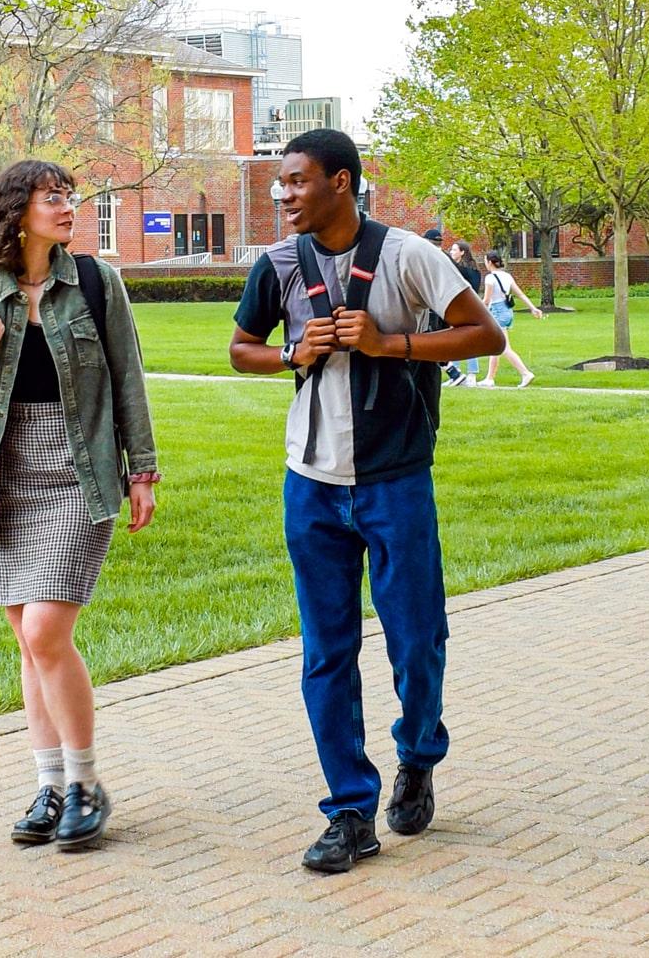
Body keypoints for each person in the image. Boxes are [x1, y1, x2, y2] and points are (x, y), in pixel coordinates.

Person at [229, 129, 504, 874]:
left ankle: (418, 755)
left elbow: (482, 335)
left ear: (342, 183)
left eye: (297, 181)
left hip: (395, 480)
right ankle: (349, 810)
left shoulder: (410, 255)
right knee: (327, 652)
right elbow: (240, 348)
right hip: (311, 484)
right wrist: (292, 352)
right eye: (280, 182)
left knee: (417, 639)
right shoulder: (277, 264)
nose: (283, 193)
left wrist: (393, 346)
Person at [0, 160, 158, 853]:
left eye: (70, 197)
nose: (68, 208)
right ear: (17, 210)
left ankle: (87, 784)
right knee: (28, 647)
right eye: (53, 198)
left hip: (78, 473)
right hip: (3, 480)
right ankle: (51, 784)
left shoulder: (95, 282)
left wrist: (142, 470)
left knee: (45, 634)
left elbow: (129, 379)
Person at [476, 250, 544, 387]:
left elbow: (487, 300)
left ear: (489, 262)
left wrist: (475, 309)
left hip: (497, 312)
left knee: (503, 347)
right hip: (507, 312)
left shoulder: (490, 278)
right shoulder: (507, 276)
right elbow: (520, 294)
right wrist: (533, 308)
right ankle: (489, 378)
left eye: (485, 261)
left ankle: (525, 373)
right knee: (496, 345)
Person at [427, 231, 482, 386]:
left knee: (445, 340)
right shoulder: (470, 269)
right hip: (462, 306)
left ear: (462, 252)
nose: (451, 252)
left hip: (450, 307)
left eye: (454, 250)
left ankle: (460, 373)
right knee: (455, 339)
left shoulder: (455, 266)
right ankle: (457, 373)